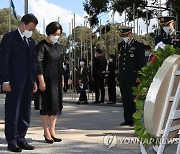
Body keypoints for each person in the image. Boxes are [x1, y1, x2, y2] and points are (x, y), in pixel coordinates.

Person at [0, 14, 38, 152]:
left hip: (28, 82)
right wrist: (5, 80)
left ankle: (21, 138)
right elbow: (4, 61)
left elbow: (33, 62)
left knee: (25, 111)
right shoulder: (9, 37)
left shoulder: (31, 42)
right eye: (31, 27)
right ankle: (12, 140)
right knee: (12, 112)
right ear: (23, 24)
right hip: (13, 82)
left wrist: (34, 81)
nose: (31, 30)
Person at [34, 21, 63, 144]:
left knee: (55, 107)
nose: (57, 36)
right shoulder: (41, 45)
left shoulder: (58, 46)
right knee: (45, 107)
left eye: (59, 34)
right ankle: (46, 133)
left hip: (56, 79)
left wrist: (62, 78)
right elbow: (38, 63)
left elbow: (60, 63)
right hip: (45, 80)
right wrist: (41, 80)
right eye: (56, 34)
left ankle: (53, 131)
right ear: (49, 33)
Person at [118, 26, 146, 126]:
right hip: (123, 77)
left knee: (133, 99)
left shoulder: (138, 45)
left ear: (130, 34)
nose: (124, 38)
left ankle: (135, 119)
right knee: (125, 99)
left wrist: (139, 76)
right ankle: (127, 119)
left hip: (133, 77)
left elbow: (141, 63)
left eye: (126, 35)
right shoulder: (120, 45)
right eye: (123, 36)